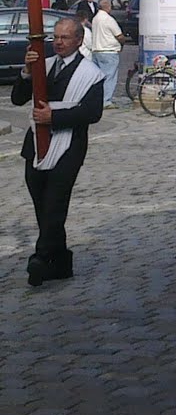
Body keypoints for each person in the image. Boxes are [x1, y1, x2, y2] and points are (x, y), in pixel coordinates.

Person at [11, 18, 104, 286]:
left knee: (55, 203)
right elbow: (18, 98)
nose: (59, 42)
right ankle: (61, 260)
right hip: (36, 145)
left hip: (68, 147)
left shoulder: (90, 74)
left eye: (65, 38)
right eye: (56, 37)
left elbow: (92, 112)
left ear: (79, 40)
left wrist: (54, 116)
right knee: (41, 202)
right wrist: (27, 72)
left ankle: (41, 258)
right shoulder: (45, 66)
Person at [91, 0, 125, 107]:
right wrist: (122, 43)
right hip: (108, 51)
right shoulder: (108, 19)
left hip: (96, 50)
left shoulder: (95, 18)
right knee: (109, 77)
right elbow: (119, 35)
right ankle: (106, 101)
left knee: (99, 78)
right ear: (108, 7)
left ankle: (98, 99)